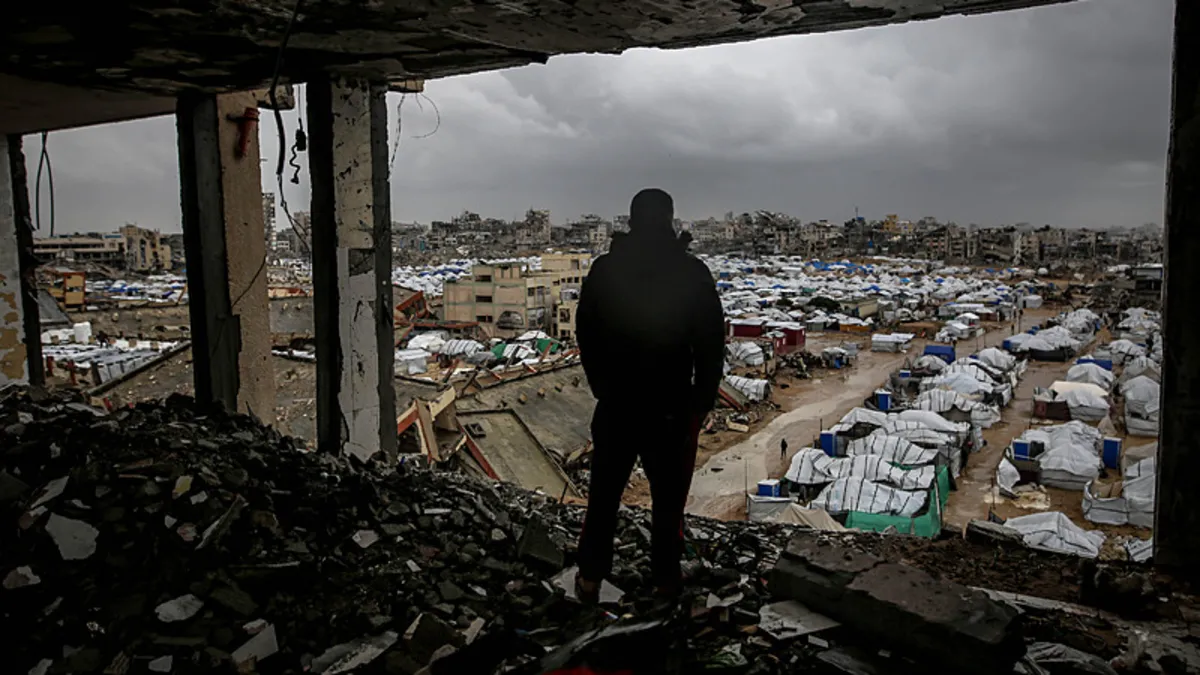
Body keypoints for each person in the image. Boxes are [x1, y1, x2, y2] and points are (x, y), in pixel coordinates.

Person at [575, 188, 725, 602]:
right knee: (667, 503)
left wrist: (600, 385)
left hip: (617, 404)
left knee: (603, 496)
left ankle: (589, 579)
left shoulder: (606, 270)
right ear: (670, 220)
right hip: (672, 408)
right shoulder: (691, 272)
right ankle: (665, 581)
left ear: (631, 220)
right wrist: (702, 398)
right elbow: (712, 341)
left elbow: (585, 333)